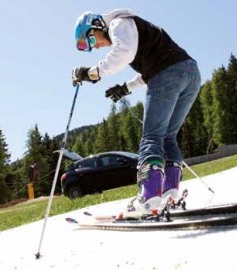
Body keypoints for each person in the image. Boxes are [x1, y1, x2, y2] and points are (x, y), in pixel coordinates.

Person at [72, 9, 201, 218]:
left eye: (91, 40)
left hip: (169, 74)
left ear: (96, 25)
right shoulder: (133, 29)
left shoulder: (118, 24)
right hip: (190, 74)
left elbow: (125, 55)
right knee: (167, 135)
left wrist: (93, 73)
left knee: (152, 136)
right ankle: (169, 192)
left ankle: (149, 197)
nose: (96, 46)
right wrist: (125, 88)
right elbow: (151, 71)